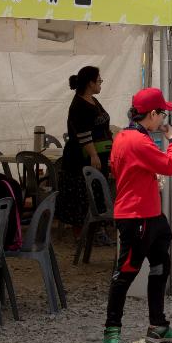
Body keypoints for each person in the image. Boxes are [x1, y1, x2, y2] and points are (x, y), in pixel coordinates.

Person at [102, 88, 172, 343]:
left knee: (160, 265)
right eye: (163, 113)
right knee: (125, 273)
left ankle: (158, 325)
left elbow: (121, 169)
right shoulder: (140, 141)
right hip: (137, 216)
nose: (164, 119)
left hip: (149, 213)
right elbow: (169, 166)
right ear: (153, 114)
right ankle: (112, 329)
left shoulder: (123, 136)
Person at [58, 67, 112, 231]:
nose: (101, 83)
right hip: (81, 158)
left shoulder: (93, 100)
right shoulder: (79, 105)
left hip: (98, 154)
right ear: (90, 83)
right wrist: (94, 155)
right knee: (83, 194)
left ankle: (96, 229)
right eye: (99, 80)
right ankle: (83, 232)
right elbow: (83, 133)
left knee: (96, 191)